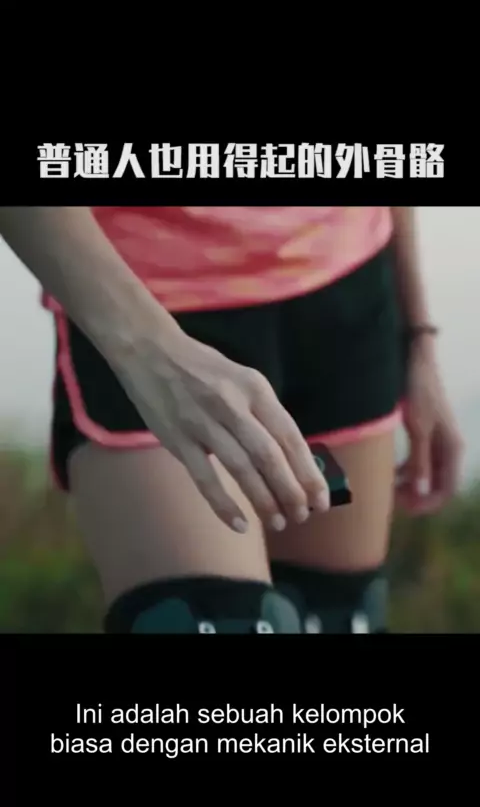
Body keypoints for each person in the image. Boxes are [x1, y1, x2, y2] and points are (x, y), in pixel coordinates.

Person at [0, 207, 464, 634]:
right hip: (153, 314)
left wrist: (418, 335)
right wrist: (144, 350)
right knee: (215, 620)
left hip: (346, 300)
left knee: (337, 615)